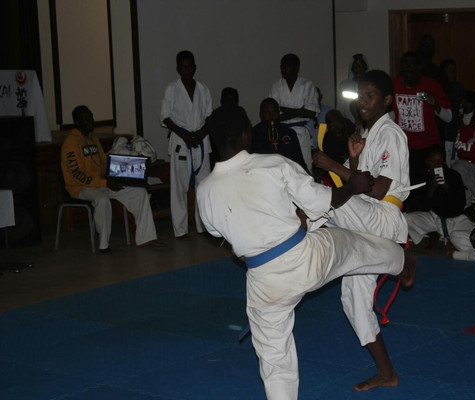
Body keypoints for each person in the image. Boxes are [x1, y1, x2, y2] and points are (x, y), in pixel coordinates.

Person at [198, 105, 417, 400]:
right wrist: (351, 187)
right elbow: (323, 202)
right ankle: (402, 262)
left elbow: (222, 235)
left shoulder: (204, 191)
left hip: (263, 281)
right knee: (355, 246)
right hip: (306, 257)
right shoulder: (274, 165)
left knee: (275, 361)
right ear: (246, 135)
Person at [313, 69, 411, 243]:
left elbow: (378, 190)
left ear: (387, 100)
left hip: (382, 217)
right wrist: (354, 158)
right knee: (316, 194)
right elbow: (356, 182)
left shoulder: (390, 133)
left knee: (317, 197)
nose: (362, 102)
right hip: (366, 211)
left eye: (369, 96)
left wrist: (332, 165)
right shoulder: (366, 134)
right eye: (359, 96)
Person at [61, 105, 158, 252]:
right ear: (77, 122)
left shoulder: (93, 138)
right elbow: (78, 176)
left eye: (91, 117)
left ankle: (146, 238)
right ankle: (104, 245)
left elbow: (105, 162)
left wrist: (130, 168)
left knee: (140, 192)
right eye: (86, 119)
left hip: (101, 183)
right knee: (102, 200)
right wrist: (105, 183)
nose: (91, 121)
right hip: (80, 187)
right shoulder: (70, 143)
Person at [160, 50, 213, 238]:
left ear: (195, 67)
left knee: (204, 186)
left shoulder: (203, 89)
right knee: (179, 187)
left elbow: (209, 116)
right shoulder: (172, 89)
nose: (187, 70)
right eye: (183, 67)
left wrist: (200, 134)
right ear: (177, 69)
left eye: (189, 66)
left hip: (201, 140)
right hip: (181, 141)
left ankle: (203, 226)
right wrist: (185, 135)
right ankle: (180, 230)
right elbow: (165, 117)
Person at [392, 52, 451, 210]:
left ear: (418, 67)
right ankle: (412, 214)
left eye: (412, 64)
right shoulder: (395, 85)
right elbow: (389, 113)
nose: (408, 68)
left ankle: (440, 212)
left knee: (437, 181)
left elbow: (449, 117)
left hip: (429, 144)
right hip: (405, 145)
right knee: (409, 185)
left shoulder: (431, 85)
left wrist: (434, 103)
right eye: (405, 64)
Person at [404, 146, 473, 249]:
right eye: (433, 161)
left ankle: (445, 235)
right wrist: (432, 189)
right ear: (427, 161)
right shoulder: (422, 177)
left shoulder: (453, 175)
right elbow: (419, 207)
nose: (436, 165)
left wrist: (446, 187)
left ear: (444, 162)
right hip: (433, 219)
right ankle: (432, 233)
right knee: (405, 219)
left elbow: (460, 204)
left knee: (474, 236)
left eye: (439, 161)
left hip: (455, 219)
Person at [269, 53, 319, 173]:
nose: (283, 70)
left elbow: (312, 113)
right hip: (282, 132)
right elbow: (273, 116)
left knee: (304, 168)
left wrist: (285, 110)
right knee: (284, 168)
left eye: (286, 66)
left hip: (301, 132)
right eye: (282, 67)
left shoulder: (307, 85)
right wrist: (300, 111)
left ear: (296, 68)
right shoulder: (277, 86)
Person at [251, 97, 308, 172]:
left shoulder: (289, 132)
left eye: (274, 112)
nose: (271, 115)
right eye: (267, 112)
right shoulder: (253, 134)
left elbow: (299, 161)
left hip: (288, 172)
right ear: (261, 114)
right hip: (264, 173)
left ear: (278, 113)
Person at [440, 59, 466, 167]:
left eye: (454, 70)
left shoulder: (459, 87)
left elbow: (462, 106)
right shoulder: (439, 87)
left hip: (456, 126)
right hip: (443, 128)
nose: (452, 73)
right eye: (449, 70)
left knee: (455, 161)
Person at [337, 53, 368, 123]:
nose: (359, 68)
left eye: (361, 65)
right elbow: (340, 108)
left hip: (367, 124)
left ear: (365, 67)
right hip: (349, 123)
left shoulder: (371, 85)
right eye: (356, 65)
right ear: (352, 68)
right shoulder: (344, 86)